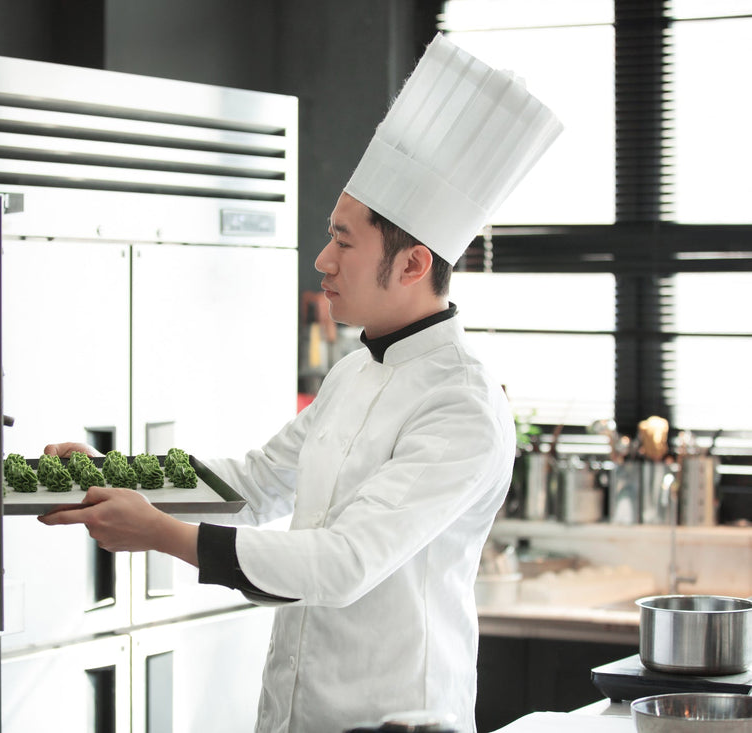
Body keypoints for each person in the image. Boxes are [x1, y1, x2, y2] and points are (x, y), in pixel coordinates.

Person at [39, 33, 562, 733]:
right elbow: (256, 483)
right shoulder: (355, 370)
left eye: (345, 242)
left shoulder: (463, 406)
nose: (322, 259)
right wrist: (114, 473)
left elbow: (343, 562)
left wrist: (160, 532)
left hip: (397, 723)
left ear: (411, 265)